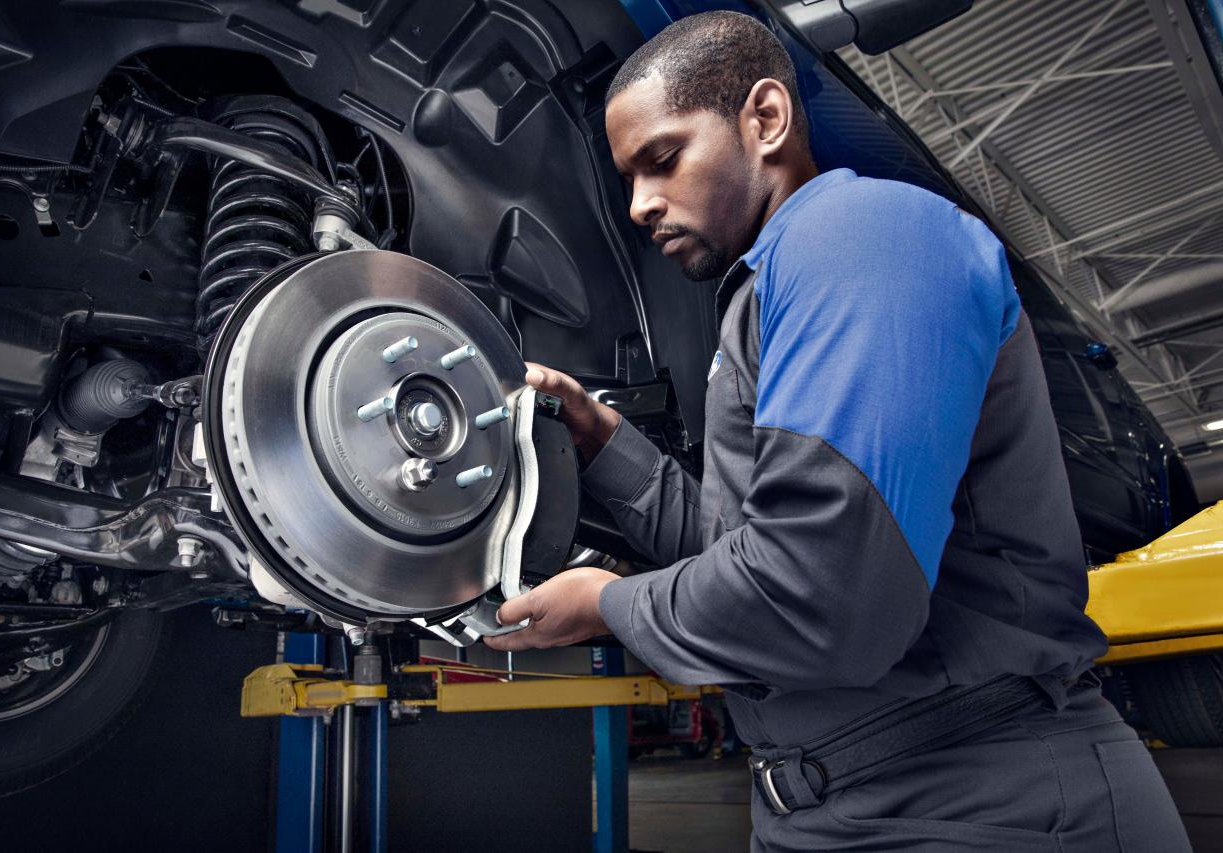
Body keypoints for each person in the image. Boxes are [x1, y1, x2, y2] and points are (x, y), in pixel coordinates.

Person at [485, 11, 1190, 851]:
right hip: (828, 799)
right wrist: (602, 439)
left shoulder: (866, 235)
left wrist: (610, 604)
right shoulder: (767, 290)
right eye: (629, 180)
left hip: (986, 803)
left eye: (663, 160)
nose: (640, 205)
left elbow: (828, 594)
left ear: (767, 119)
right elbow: (736, 549)